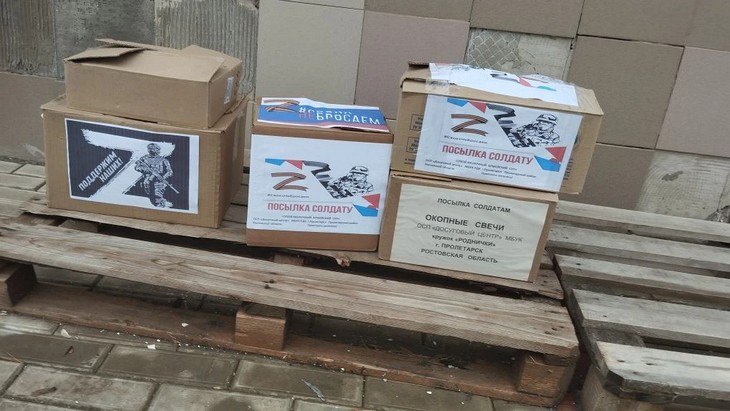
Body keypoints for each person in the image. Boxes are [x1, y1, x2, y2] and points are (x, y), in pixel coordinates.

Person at [135, 143, 174, 208]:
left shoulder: (163, 160)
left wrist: (162, 177)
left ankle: (161, 207)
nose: (152, 150)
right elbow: (137, 167)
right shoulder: (144, 158)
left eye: (154, 149)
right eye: (150, 149)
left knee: (158, 196)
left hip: (158, 181)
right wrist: (147, 170)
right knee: (150, 198)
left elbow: (169, 171)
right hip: (147, 180)